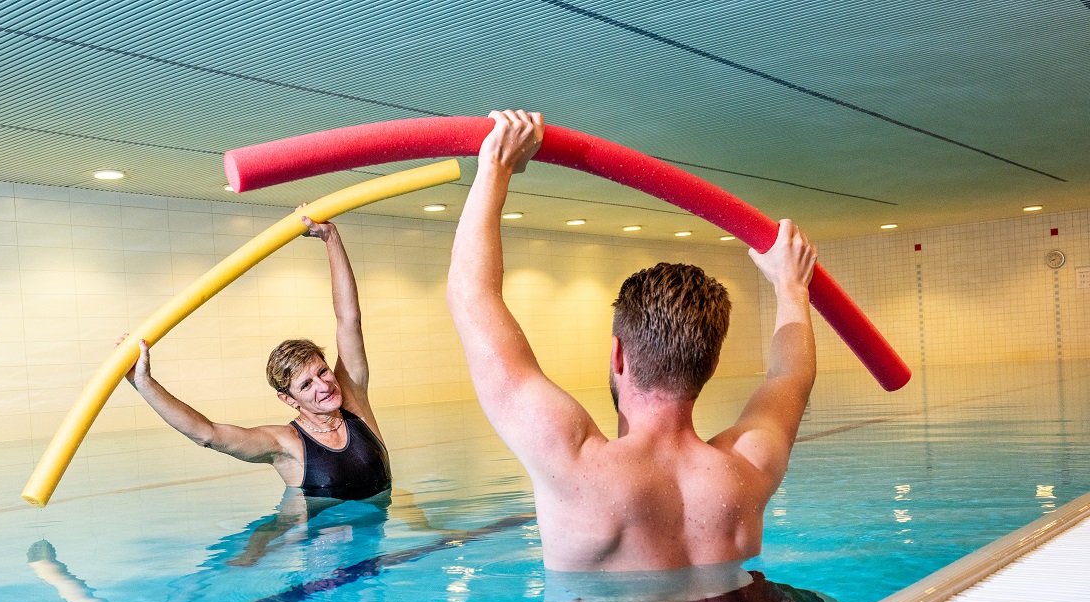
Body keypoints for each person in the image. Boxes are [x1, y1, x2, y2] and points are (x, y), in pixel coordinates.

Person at [446, 109, 819, 572]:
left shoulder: (574, 465)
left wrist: (495, 167)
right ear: (710, 364)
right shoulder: (748, 469)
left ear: (618, 354)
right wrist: (793, 287)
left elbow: (471, 295)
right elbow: (791, 377)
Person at [122, 213, 390, 501]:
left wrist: (332, 238)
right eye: (305, 385)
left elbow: (349, 319)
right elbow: (207, 434)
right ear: (288, 399)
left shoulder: (355, 400)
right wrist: (143, 381)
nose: (324, 386)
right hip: (316, 540)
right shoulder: (285, 444)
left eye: (322, 372)